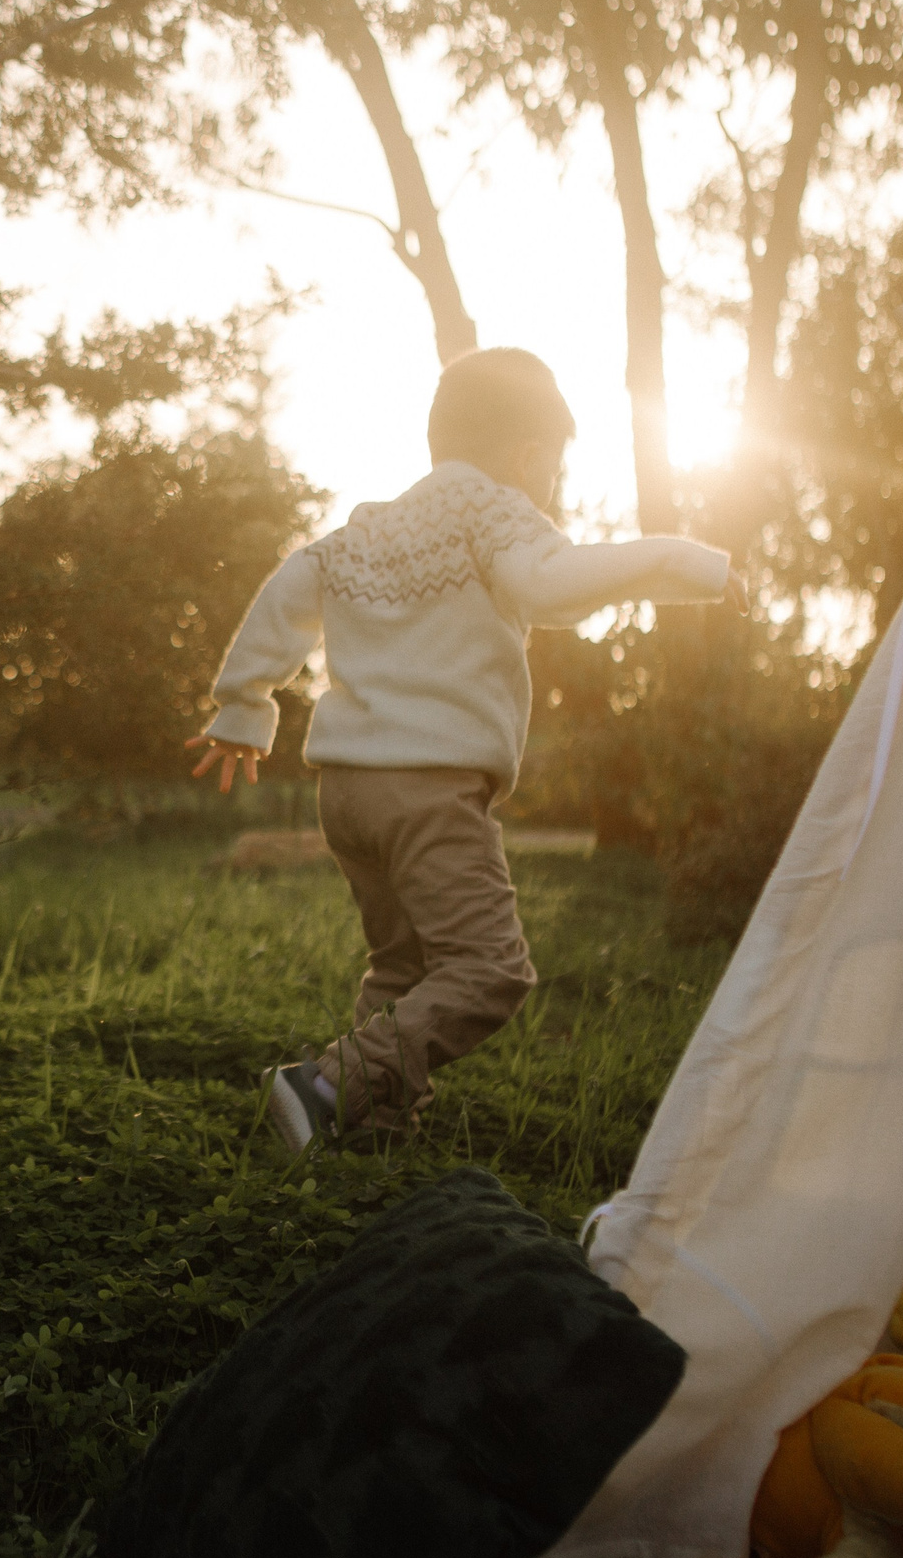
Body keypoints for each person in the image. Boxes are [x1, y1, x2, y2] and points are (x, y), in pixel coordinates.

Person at [187, 347, 737, 1149]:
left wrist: (243, 707)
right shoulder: (495, 510)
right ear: (528, 455)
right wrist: (690, 562)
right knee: (489, 970)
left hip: (345, 791)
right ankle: (325, 1085)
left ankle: (369, 1126)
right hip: (428, 787)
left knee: (404, 967)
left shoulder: (367, 527)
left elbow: (287, 593)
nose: (548, 490)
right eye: (552, 468)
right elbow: (554, 586)